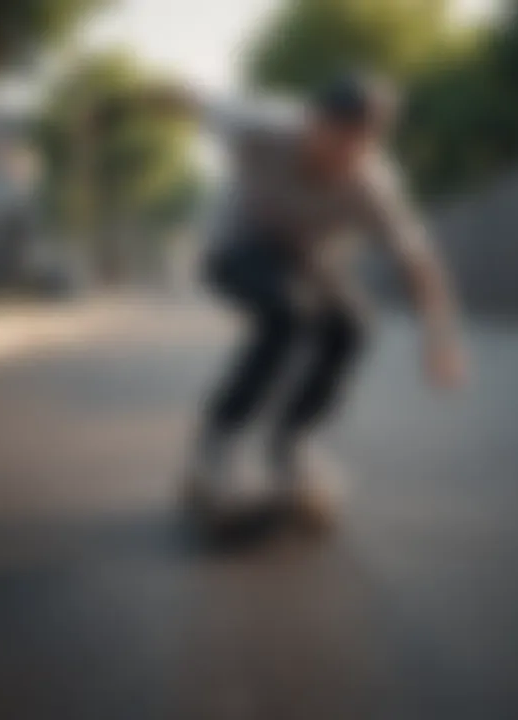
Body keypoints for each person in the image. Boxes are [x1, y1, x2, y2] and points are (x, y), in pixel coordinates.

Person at [95, 74, 468, 526]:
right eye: (338, 138)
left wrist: (439, 338)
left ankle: (292, 446)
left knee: (352, 329)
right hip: (233, 249)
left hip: (308, 266)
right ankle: (216, 449)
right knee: (285, 315)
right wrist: (119, 104)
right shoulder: (263, 125)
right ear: (313, 122)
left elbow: (418, 260)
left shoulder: (372, 182)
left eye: (361, 144)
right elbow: (191, 97)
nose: (345, 156)